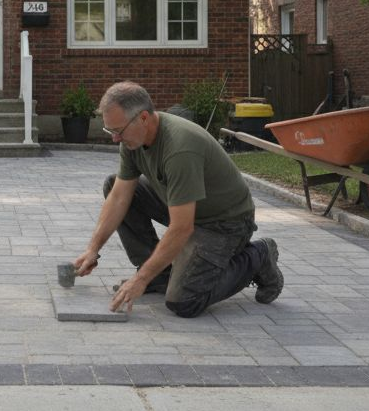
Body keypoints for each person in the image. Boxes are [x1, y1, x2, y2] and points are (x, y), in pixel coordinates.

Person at [72, 81, 284, 317]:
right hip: (188, 208)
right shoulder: (133, 140)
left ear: (143, 118)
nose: (115, 139)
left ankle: (259, 255)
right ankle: (159, 276)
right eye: (110, 131)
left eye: (118, 131)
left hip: (225, 222)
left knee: (185, 302)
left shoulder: (180, 148)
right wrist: (93, 249)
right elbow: (120, 197)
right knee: (113, 184)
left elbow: (182, 228)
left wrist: (140, 280)